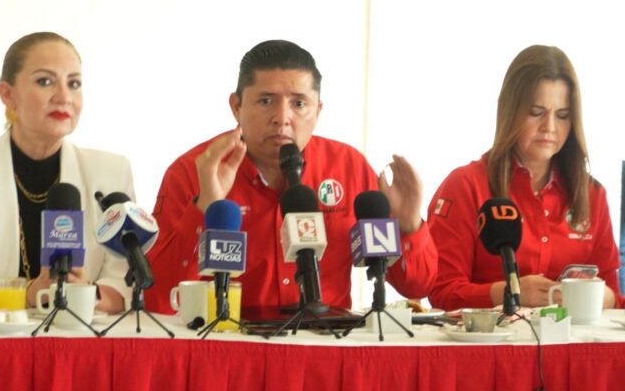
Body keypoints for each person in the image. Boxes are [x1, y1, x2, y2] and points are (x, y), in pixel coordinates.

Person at [144, 39, 437, 314]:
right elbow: (158, 299)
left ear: (318, 110)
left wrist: (408, 225)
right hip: (229, 339)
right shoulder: (193, 171)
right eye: (266, 101)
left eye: (299, 104)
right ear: (236, 107)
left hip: (326, 340)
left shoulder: (348, 167)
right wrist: (205, 206)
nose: (282, 118)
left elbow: (418, 287)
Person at [0, 32, 133, 313]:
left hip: (81, 334)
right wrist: (28, 294)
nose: (64, 97)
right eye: (45, 81)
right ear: (8, 94)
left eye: (74, 83)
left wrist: (85, 294)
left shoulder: (111, 172)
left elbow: (123, 283)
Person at [427, 45, 624, 311]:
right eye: (536, 112)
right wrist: (507, 292)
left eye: (562, 116)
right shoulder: (465, 186)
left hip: (573, 336)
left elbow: (612, 296)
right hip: (492, 337)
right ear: (510, 112)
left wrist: (604, 298)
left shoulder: (592, 194)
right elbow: (441, 292)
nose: (550, 127)